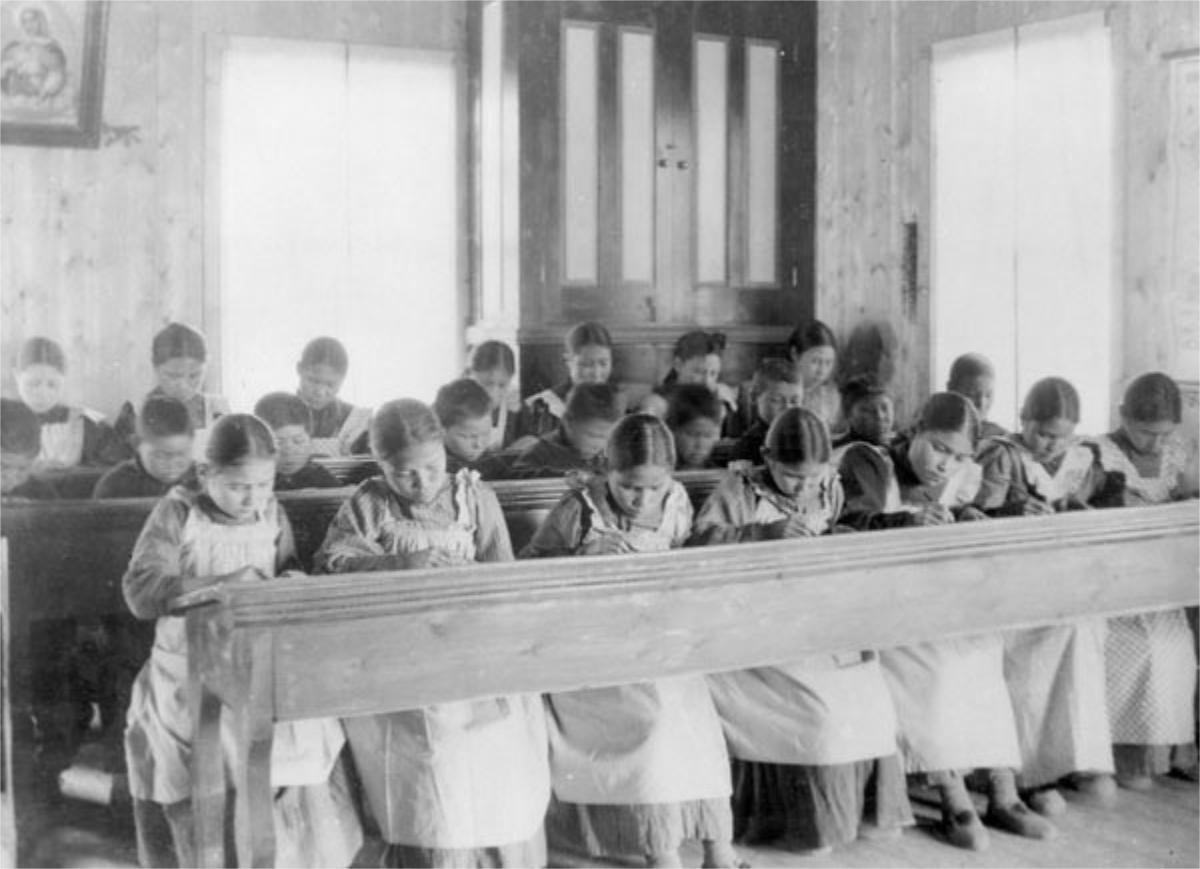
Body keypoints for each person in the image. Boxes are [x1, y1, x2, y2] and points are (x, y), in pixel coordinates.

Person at [313, 399, 549, 867]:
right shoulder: (370, 503)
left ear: (445, 453)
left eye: (433, 467)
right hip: (399, 655)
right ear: (381, 465)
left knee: (497, 739)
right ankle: (435, 852)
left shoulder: (474, 497)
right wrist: (398, 563)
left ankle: (493, 852)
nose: (421, 482)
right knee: (433, 749)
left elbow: (504, 572)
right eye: (405, 474)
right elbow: (330, 565)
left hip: (470, 645)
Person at [123, 415, 360, 868]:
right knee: (207, 768)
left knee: (293, 752)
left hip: (259, 661)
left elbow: (288, 565)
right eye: (237, 487)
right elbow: (142, 592)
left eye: (264, 484)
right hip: (189, 665)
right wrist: (225, 583)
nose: (252, 498)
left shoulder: (271, 512)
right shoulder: (178, 512)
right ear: (206, 473)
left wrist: (291, 579)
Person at [522, 414, 740, 869]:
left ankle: (718, 847)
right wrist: (580, 558)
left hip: (658, 637)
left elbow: (683, 558)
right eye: (629, 487)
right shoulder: (579, 509)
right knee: (655, 719)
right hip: (593, 648)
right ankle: (660, 848)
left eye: (654, 488)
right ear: (607, 470)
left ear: (670, 478)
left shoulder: (677, 501)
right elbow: (527, 572)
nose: (643, 500)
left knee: (697, 716)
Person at [692, 408, 913, 854]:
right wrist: (761, 533)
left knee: (867, 690)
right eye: (793, 478)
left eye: (813, 478)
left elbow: (840, 527)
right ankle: (801, 824)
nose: (805, 488)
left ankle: (861, 810)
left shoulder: (828, 484)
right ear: (768, 459)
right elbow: (697, 543)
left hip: (812, 613)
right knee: (818, 712)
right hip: (751, 623)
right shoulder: (739, 488)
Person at [844, 393, 1056, 849]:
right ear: (914, 427)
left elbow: (951, 517)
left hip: (930, 599)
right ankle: (952, 794)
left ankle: (1002, 790)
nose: (946, 465)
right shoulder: (868, 462)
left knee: (983, 648)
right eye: (938, 448)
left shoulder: (961, 475)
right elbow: (847, 525)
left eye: (958, 456)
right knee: (935, 663)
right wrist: (906, 523)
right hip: (874, 605)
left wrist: (996, 515)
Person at [974, 377, 1120, 811]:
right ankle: (1027, 771)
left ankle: (1076, 759)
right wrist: (1011, 513)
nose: (1049, 444)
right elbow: (974, 516)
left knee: (1082, 632)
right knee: (1032, 648)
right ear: (1024, 420)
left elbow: (1092, 506)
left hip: (1058, 578)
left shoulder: (1081, 459)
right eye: (1040, 432)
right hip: (1005, 583)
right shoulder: (1003, 455)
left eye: (1060, 436)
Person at [1092, 372, 1199, 789]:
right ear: (1123, 416)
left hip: (1165, 577)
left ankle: (1174, 749)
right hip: (1116, 581)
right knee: (1142, 647)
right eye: (1145, 433)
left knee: (1176, 646)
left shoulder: (1178, 453)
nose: (1155, 443)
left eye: (1164, 434)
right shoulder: (1099, 453)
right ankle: (1128, 756)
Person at [114, 323, 230, 460]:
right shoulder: (135, 412)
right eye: (173, 376)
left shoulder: (217, 410)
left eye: (194, 375)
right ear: (155, 367)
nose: (184, 385)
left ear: (206, 367)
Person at [14, 336, 126, 471]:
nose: (43, 393)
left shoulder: (84, 423)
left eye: (52, 385)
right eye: (34, 383)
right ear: (16, 376)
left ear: (64, 381)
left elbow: (118, 470)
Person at [515, 321, 614, 441]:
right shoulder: (540, 406)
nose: (596, 373)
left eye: (603, 363)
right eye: (586, 364)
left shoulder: (619, 407)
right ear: (568, 360)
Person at [510, 383, 624, 478]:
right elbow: (515, 478)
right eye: (592, 435)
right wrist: (560, 477)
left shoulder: (606, 457)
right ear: (568, 423)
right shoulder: (543, 451)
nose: (598, 444)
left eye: (605, 437)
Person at [93, 396, 198, 499]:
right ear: (137, 444)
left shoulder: (202, 481)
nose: (172, 463)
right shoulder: (114, 486)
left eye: (182, 453)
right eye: (160, 455)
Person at [640, 332, 739, 434]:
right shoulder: (657, 404)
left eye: (713, 374)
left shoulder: (722, 398)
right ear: (678, 364)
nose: (707, 381)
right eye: (699, 372)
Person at [295, 337, 372, 457]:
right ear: (299, 369)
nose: (320, 392)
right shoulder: (275, 414)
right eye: (313, 381)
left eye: (330, 385)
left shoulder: (356, 420)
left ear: (343, 380)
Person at [252, 392, 341, 490]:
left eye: (298, 441)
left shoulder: (320, 475)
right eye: (277, 443)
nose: (288, 452)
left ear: (310, 440)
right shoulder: (252, 478)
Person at [731, 358, 804, 463]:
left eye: (795, 401)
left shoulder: (805, 438)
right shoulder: (747, 447)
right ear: (754, 397)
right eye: (777, 400)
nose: (787, 408)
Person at [433, 378, 508, 477]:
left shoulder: (492, 464)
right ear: (441, 430)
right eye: (467, 436)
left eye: (486, 434)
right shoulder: (436, 466)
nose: (479, 445)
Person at [786, 321, 842, 434]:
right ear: (795, 354)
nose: (822, 371)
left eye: (828, 363)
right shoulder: (779, 390)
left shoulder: (831, 394)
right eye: (815, 361)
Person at [467, 340, 521, 451]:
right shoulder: (451, 403)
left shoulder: (516, 408)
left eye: (502, 385)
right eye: (486, 383)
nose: (493, 393)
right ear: (472, 375)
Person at [1, 396, 56, 498]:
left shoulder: (40, 493)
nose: (12, 480)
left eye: (22, 469)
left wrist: (30, 513)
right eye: (3, 467)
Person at [947, 353, 1007, 441]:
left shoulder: (1000, 439)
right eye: (972, 395)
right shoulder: (932, 433)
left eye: (988, 395)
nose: (982, 404)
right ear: (951, 389)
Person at [665, 384, 725, 471]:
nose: (700, 445)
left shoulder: (722, 474)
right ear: (672, 430)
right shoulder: (657, 475)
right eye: (692, 434)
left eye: (708, 435)